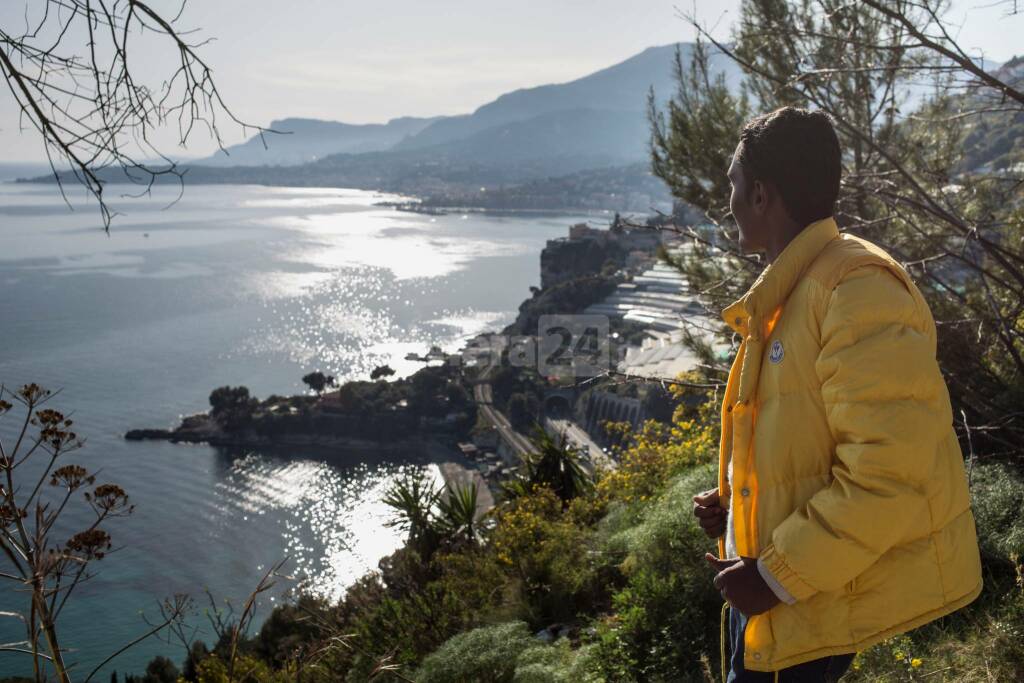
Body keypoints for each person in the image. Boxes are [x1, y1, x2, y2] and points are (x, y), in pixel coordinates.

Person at [691, 107, 982, 682]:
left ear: (761, 195)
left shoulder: (855, 287)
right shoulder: (795, 290)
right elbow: (807, 442)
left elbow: (885, 471)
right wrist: (738, 506)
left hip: (801, 596)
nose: (726, 201)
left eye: (733, 182)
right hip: (787, 589)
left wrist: (773, 577)